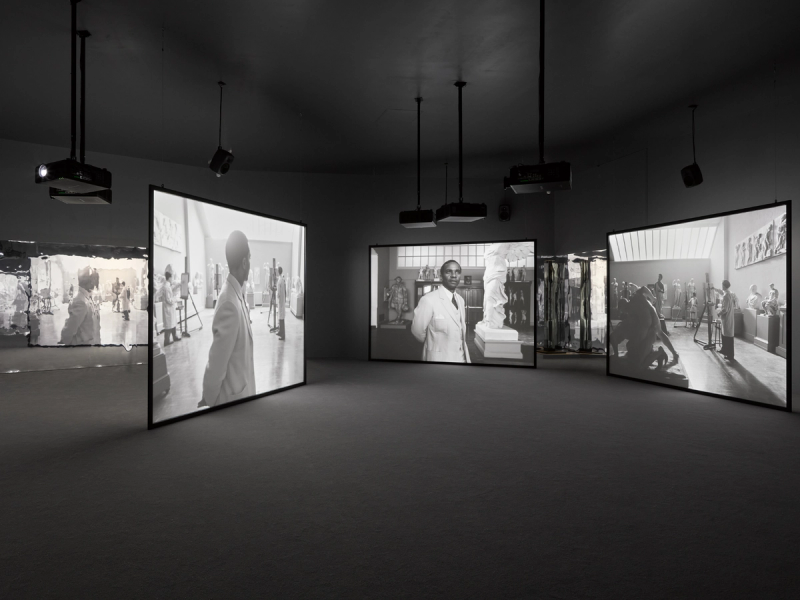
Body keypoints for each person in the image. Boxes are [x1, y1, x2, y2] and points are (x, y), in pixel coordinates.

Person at [201, 231, 256, 407]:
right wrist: (208, 400)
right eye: (250, 258)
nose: (250, 264)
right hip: (233, 402)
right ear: (245, 262)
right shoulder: (228, 304)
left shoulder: (235, 293)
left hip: (242, 394)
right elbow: (216, 364)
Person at [411, 260, 470, 363]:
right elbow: (417, 332)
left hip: (462, 358)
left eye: (457, 272)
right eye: (449, 271)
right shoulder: (428, 300)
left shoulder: (460, 300)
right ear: (441, 275)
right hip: (439, 358)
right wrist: (433, 342)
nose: (454, 275)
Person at [59, 266, 100, 345]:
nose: (94, 283)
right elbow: (69, 330)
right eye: (93, 280)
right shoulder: (80, 301)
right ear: (88, 281)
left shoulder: (87, 297)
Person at [715, 280, 735, 360]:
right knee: (726, 335)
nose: (721, 286)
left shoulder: (726, 296)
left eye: (722, 285)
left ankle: (729, 354)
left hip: (726, 317)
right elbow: (721, 292)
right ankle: (726, 351)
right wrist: (714, 289)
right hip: (728, 317)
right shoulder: (728, 294)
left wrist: (719, 313)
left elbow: (725, 309)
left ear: (724, 286)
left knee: (727, 336)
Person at [160, 271, 180, 346]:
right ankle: (166, 341)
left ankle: (174, 337)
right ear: (169, 278)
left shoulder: (167, 286)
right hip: (168, 308)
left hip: (169, 308)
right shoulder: (166, 287)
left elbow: (171, 291)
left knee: (172, 322)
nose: (172, 279)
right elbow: (169, 300)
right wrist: (175, 299)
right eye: (172, 277)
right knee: (169, 324)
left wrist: (177, 286)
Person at [276, 266, 286, 340]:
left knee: (281, 317)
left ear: (278, 271)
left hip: (280, 300)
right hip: (281, 300)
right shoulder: (281, 279)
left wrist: (277, 296)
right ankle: (280, 331)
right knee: (280, 316)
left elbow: (279, 292)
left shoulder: (280, 280)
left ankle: (283, 334)